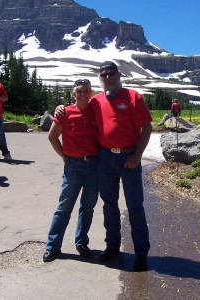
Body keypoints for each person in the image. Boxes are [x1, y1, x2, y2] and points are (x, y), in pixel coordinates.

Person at [55, 61, 152, 272]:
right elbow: (77, 106)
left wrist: (136, 157)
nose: (108, 77)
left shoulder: (133, 97)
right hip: (106, 158)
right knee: (109, 204)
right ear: (101, 78)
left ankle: (141, 253)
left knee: (135, 206)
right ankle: (113, 247)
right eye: (104, 74)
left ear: (118, 74)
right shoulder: (96, 100)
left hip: (129, 157)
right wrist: (60, 108)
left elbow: (146, 128)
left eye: (111, 73)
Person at [43, 79, 99, 262]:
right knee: (64, 207)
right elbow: (52, 137)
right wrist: (64, 157)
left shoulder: (95, 111)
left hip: (94, 165)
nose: (83, 94)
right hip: (73, 166)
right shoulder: (65, 112)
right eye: (79, 91)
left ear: (91, 93)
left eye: (86, 91)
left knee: (88, 207)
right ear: (73, 93)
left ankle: (81, 242)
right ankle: (53, 246)